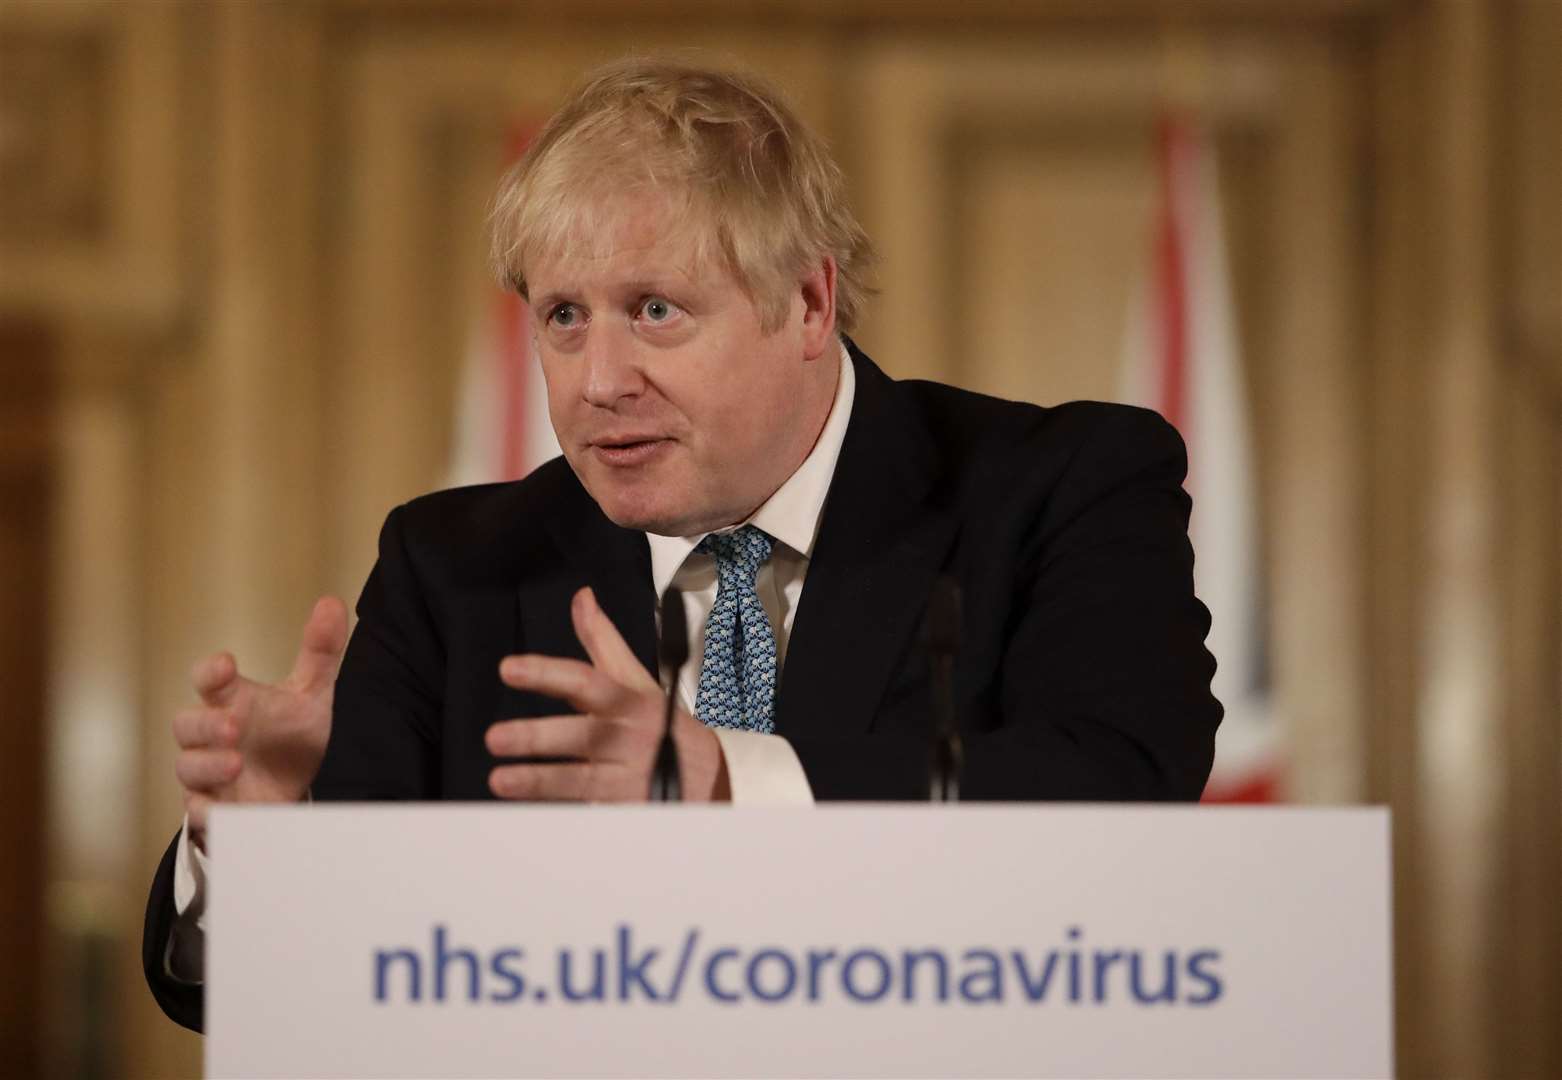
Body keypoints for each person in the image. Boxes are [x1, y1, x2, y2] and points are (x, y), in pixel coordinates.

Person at [143, 57, 1222, 1033]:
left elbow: (1120, 790)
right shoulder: (455, 565)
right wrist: (266, 864)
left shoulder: (1058, 488)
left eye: (652, 309)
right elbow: (314, 995)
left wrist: (730, 785)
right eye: (563, 317)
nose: (598, 380)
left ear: (807, 303)